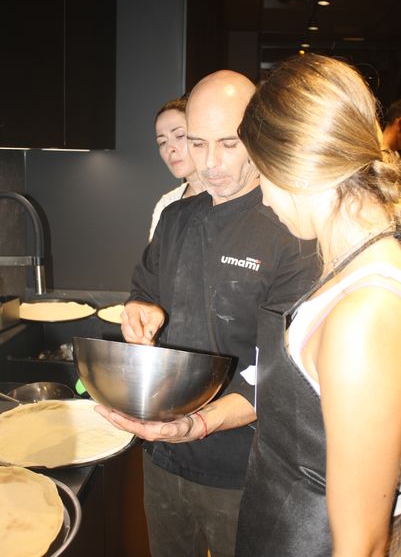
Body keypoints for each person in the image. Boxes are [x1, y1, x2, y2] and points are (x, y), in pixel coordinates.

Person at [96, 70, 319, 557]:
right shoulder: (176, 217)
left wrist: (199, 424)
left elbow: (287, 374)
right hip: (163, 454)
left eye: (229, 144)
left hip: (245, 469)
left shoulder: (292, 230)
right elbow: (144, 288)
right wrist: (140, 309)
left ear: (258, 134)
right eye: (197, 144)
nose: (211, 163)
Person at [235, 53, 401, 556]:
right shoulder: (350, 266)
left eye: (261, 174)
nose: (264, 199)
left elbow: (362, 544)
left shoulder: (365, 312)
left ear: (298, 167)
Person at [149, 96, 204, 240]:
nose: (170, 149)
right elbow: (155, 254)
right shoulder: (167, 203)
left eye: (179, 136)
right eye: (162, 142)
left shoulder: (228, 195)